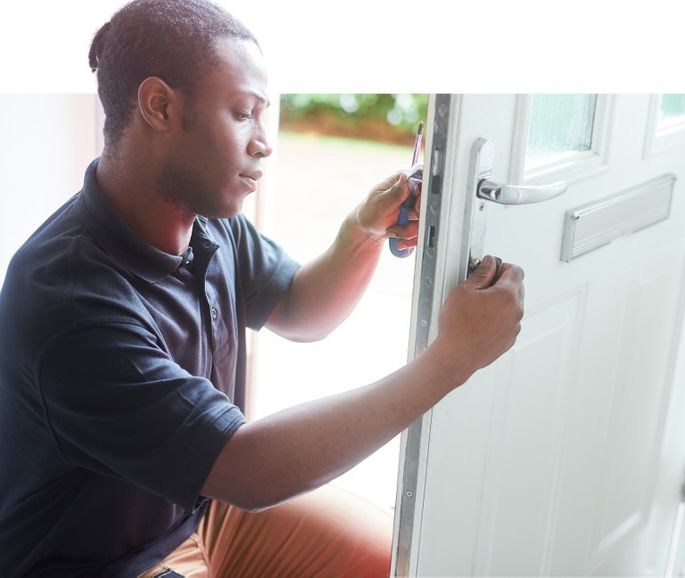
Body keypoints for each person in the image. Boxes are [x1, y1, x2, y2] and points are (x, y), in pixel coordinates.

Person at [0, 0, 525, 576]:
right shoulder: (71, 304)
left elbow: (302, 309)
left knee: (399, 561)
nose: (264, 142)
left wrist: (363, 231)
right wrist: (451, 358)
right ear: (159, 106)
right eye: (243, 113)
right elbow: (248, 469)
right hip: (96, 560)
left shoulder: (204, 220)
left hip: (194, 507)